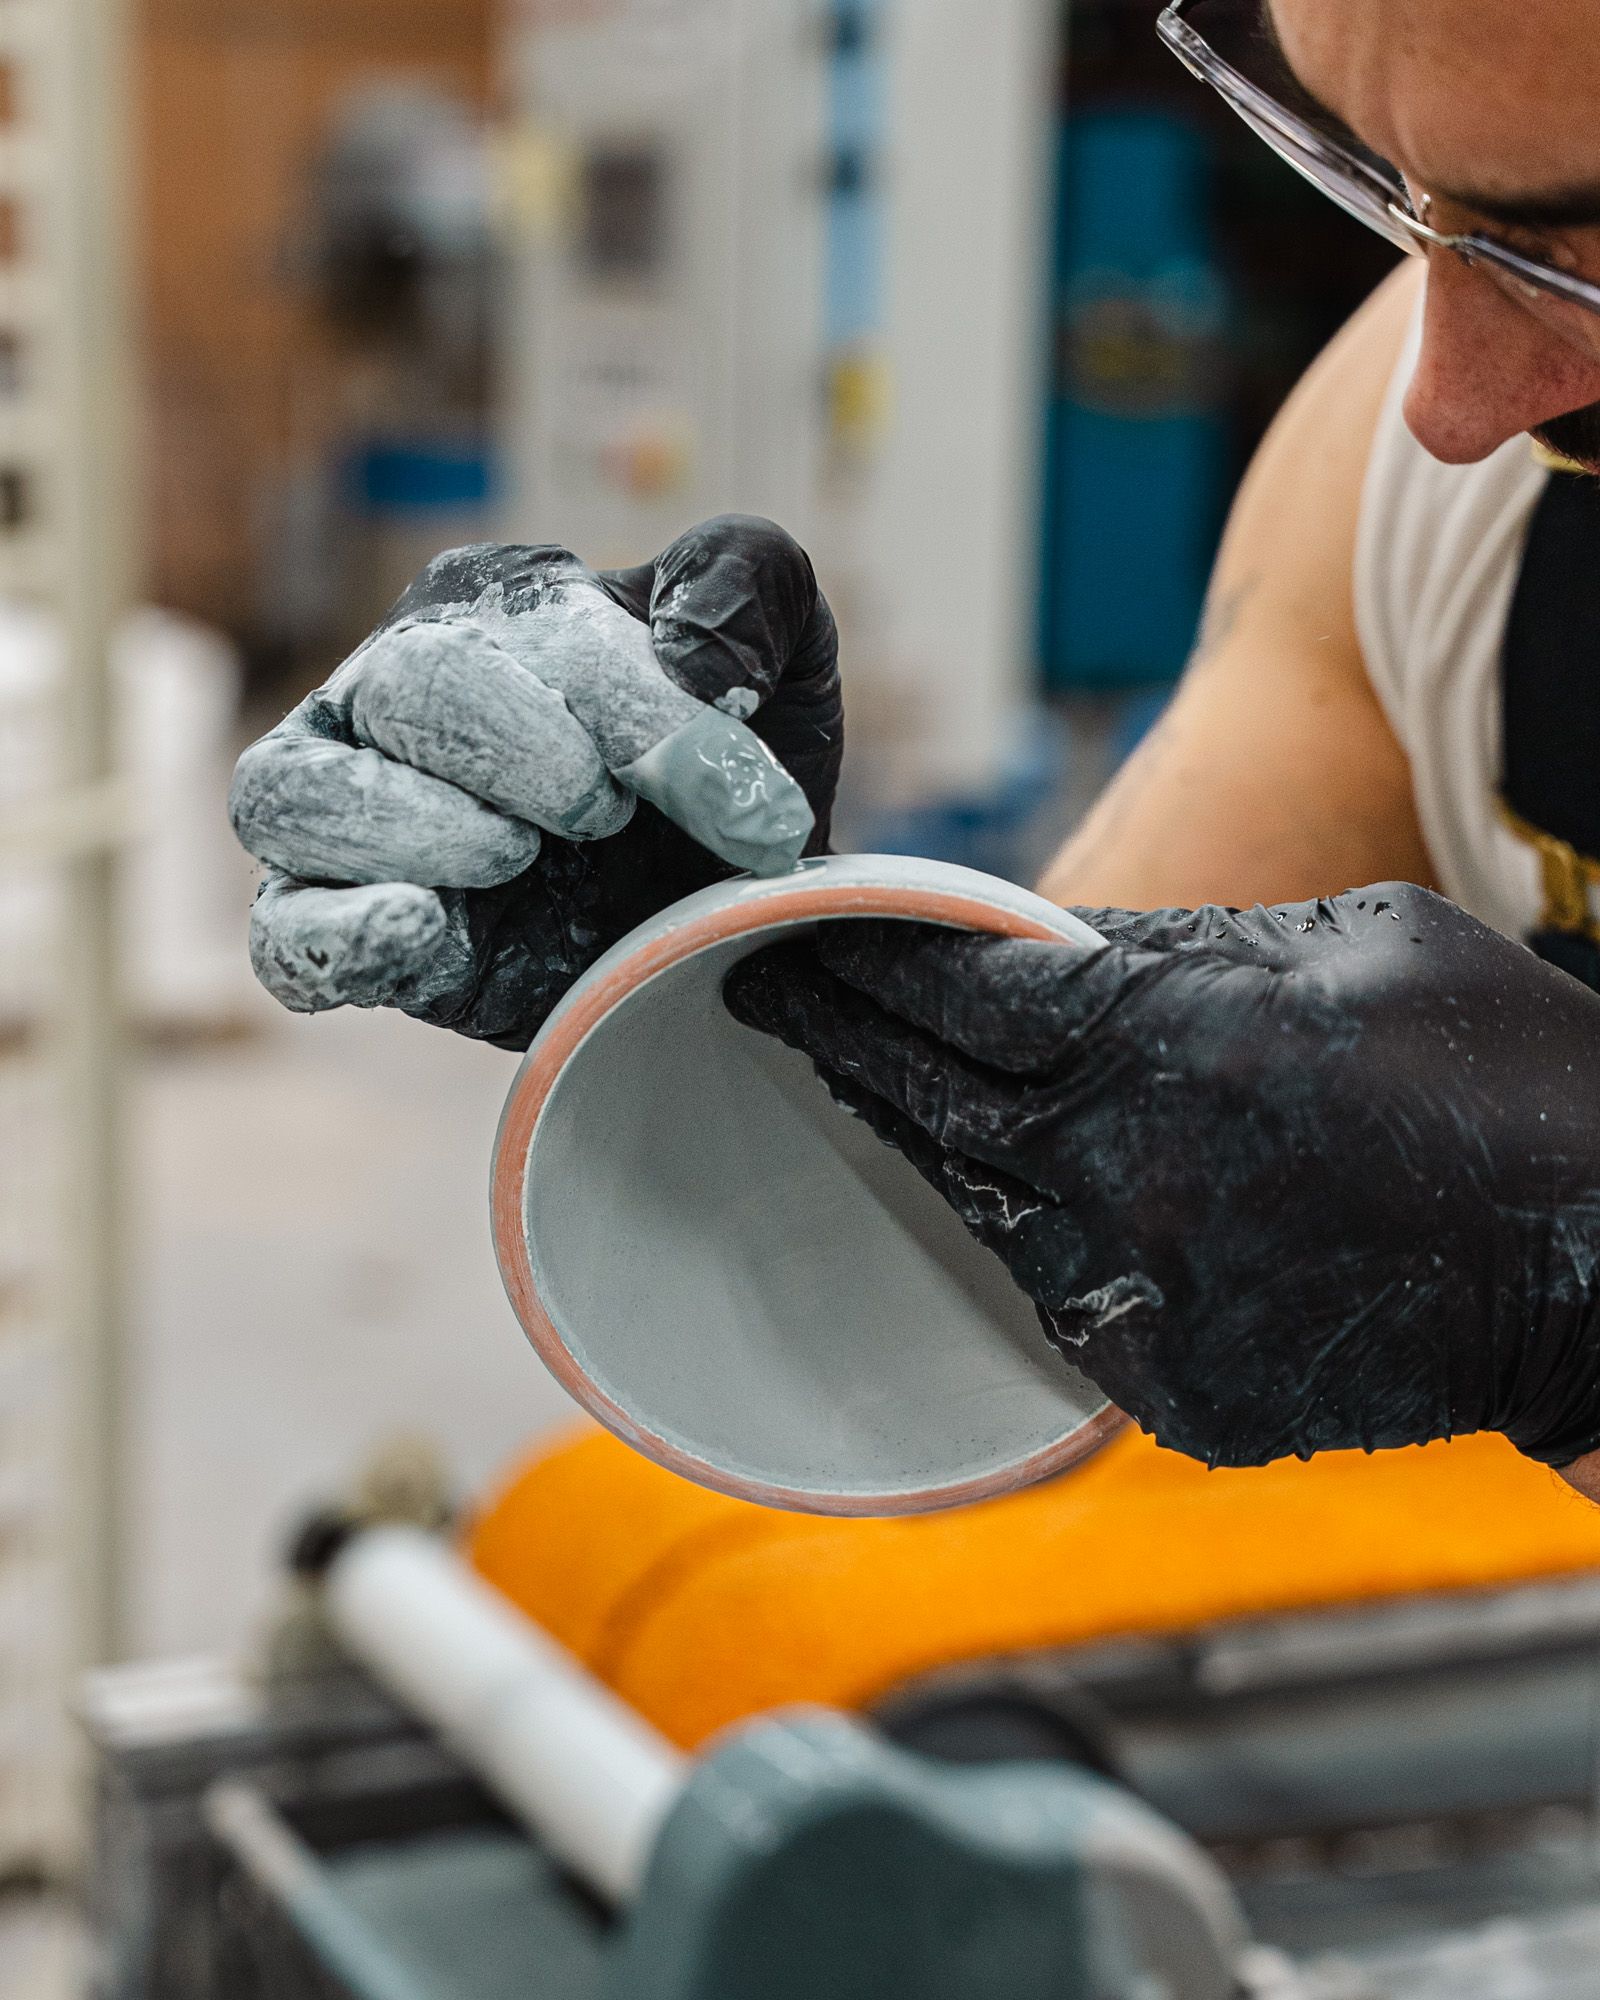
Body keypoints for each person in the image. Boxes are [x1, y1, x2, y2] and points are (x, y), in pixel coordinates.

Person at [231, 0, 1600, 1498]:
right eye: (1390, 186)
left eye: (1567, 255)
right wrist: (717, 982)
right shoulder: (1414, 492)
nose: (1449, 396)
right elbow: (1041, 1278)